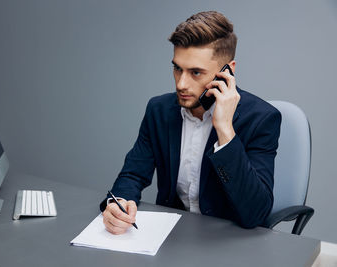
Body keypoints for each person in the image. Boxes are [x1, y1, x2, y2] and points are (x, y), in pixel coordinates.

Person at [100, 11, 281, 235]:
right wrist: (117, 204)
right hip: (173, 237)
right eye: (177, 68)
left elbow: (256, 213)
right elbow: (133, 174)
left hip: (229, 241)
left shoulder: (261, 118)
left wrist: (225, 130)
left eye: (196, 72)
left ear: (228, 71)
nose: (181, 84)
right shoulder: (159, 110)